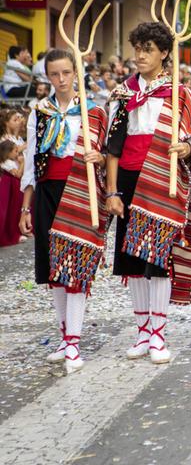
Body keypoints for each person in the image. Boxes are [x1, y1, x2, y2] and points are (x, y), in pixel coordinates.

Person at [105, 22, 191, 364]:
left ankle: (159, 335)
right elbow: (113, 148)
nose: (140, 56)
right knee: (132, 258)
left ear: (164, 53)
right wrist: (112, 191)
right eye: (137, 49)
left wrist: (185, 148)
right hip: (130, 180)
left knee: (158, 257)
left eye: (147, 49)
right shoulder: (123, 94)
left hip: (163, 181)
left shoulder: (180, 92)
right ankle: (142, 330)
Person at [17, 49, 108, 372]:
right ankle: (64, 336)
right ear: (47, 77)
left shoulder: (94, 111)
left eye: (66, 73)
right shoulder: (39, 112)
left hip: (81, 190)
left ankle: (74, 340)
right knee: (54, 267)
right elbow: (30, 162)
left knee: (76, 263)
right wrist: (25, 206)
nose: (61, 80)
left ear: (76, 73)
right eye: (54, 74)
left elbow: (108, 153)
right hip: (47, 190)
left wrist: (98, 159)